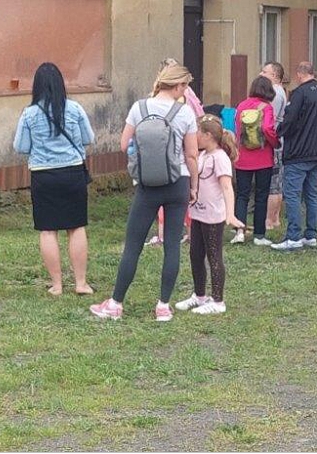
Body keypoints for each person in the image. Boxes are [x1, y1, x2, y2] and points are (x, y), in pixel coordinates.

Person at [90, 64, 199, 322]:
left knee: (133, 245)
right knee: (172, 245)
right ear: (178, 86)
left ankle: (116, 303)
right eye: (185, 86)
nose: (185, 91)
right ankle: (163, 306)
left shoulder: (139, 108)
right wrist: (194, 186)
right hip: (178, 182)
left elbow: (124, 144)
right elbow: (192, 154)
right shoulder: (185, 112)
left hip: (148, 184)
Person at [13, 62, 95, 296]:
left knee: (48, 230)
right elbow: (88, 138)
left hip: (43, 175)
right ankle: (80, 283)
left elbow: (21, 146)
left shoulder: (29, 114)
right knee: (76, 227)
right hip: (73, 173)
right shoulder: (75, 109)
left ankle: (57, 285)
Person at [176, 115, 244, 315]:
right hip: (198, 214)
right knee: (195, 255)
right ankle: (199, 295)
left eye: (196, 132)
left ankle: (218, 301)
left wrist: (230, 214)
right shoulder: (204, 154)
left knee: (214, 256)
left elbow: (227, 188)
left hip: (213, 217)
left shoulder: (220, 158)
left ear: (207, 135)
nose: (193, 136)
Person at [271, 62, 317, 251]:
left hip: (298, 152)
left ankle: (293, 236)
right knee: (312, 194)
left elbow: (289, 119)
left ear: (299, 74)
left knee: (292, 194)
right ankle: (311, 235)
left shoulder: (299, 94)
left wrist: (278, 132)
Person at [147, 58, 202, 246]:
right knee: (184, 200)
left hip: (159, 159)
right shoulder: (188, 97)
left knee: (163, 200)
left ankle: (165, 234)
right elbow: (199, 116)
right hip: (182, 160)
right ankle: (188, 234)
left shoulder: (150, 101)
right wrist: (194, 184)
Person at [232, 76, 278, 245]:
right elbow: (267, 128)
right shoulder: (267, 107)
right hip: (263, 157)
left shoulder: (241, 106)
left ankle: (239, 231)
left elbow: (237, 129)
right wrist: (275, 143)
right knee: (261, 195)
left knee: (242, 195)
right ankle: (259, 235)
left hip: (243, 157)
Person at [261, 62, 287, 231]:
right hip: (276, 139)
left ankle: (270, 220)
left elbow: (270, 119)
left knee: (274, 183)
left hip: (274, 141)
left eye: (265, 72)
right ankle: (275, 218)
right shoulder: (278, 91)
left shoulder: (275, 93)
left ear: (275, 76)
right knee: (276, 181)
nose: (261, 74)